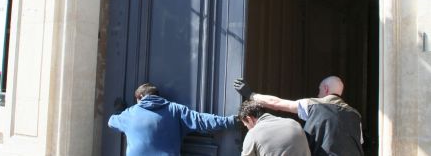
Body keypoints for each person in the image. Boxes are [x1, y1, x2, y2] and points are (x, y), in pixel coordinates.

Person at [234, 76, 364, 156]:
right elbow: (360, 143)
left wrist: (251, 95)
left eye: (319, 91)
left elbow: (277, 103)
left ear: (325, 89)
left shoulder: (314, 105)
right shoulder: (356, 115)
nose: (318, 95)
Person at [108, 83, 237, 156]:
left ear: (140, 96)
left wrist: (120, 110)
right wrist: (230, 121)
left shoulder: (129, 113)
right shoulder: (174, 109)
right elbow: (202, 120)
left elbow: (111, 122)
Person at [238, 100, 311, 156]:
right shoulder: (294, 123)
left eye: (246, 125)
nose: (247, 128)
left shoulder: (253, 133)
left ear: (249, 119)